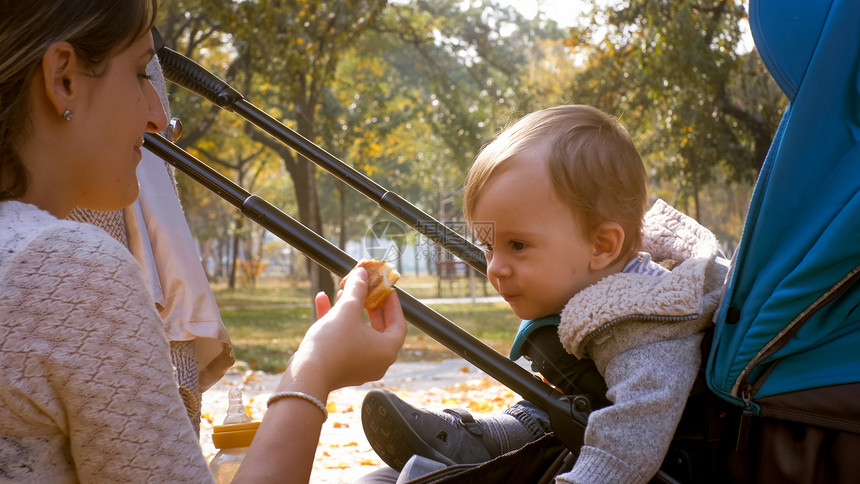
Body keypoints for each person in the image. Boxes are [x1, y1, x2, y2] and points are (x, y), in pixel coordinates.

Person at [0, 1, 406, 483]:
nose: (158, 117)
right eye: (139, 74)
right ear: (63, 77)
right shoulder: (67, 272)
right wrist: (315, 370)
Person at [359, 105, 728, 483]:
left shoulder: (650, 328)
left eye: (517, 245)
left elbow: (628, 443)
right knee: (554, 397)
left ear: (601, 245)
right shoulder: (603, 281)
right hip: (581, 404)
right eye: (488, 245)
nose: (495, 267)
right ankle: (483, 436)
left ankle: (486, 438)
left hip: (641, 439)